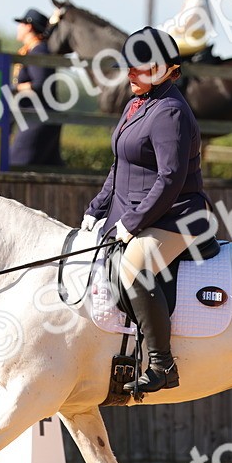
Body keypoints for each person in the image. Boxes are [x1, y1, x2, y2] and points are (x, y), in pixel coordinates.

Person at [81, 27, 214, 393]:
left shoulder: (170, 111)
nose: (130, 74)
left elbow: (171, 179)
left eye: (139, 68)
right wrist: (98, 208)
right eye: (129, 67)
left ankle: (161, 364)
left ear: (165, 69)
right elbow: (119, 165)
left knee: (134, 266)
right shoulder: (137, 104)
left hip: (177, 216)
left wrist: (133, 222)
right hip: (133, 211)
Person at [8, 8, 64, 168]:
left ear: (29, 27)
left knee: (16, 167)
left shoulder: (38, 50)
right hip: (40, 118)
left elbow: (40, 83)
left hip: (38, 120)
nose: (18, 28)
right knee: (51, 172)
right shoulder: (36, 49)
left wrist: (13, 88)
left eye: (21, 24)